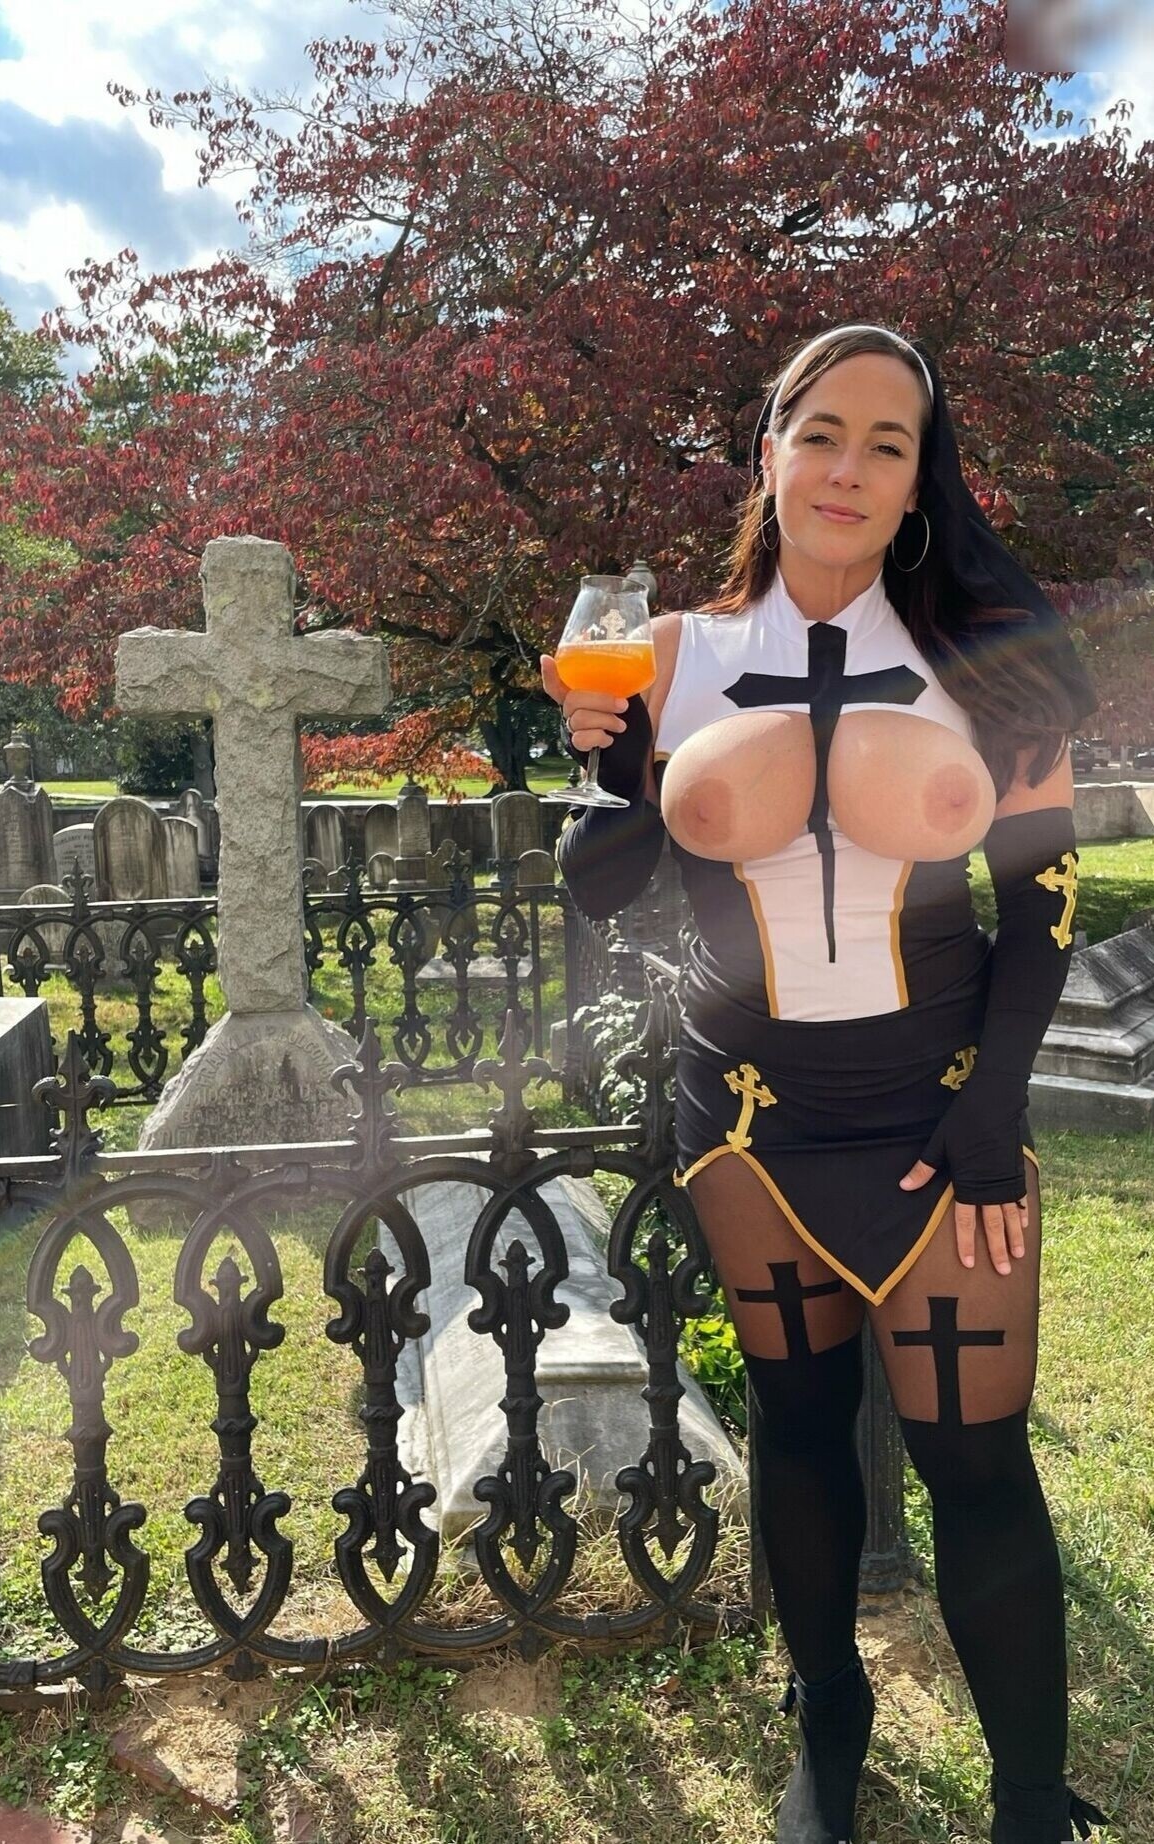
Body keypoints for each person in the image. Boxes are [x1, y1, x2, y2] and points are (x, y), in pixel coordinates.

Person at [540, 324, 1113, 1844]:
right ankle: (829, 1731)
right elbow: (599, 885)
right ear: (770, 452)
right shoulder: (668, 654)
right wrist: (611, 763)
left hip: (941, 1113)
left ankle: (1030, 1796)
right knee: (798, 1429)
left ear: (923, 481)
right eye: (823, 433)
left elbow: (1043, 906)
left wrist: (990, 1115)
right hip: (753, 1119)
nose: (850, 467)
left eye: (889, 443)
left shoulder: (981, 658)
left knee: (974, 1456)